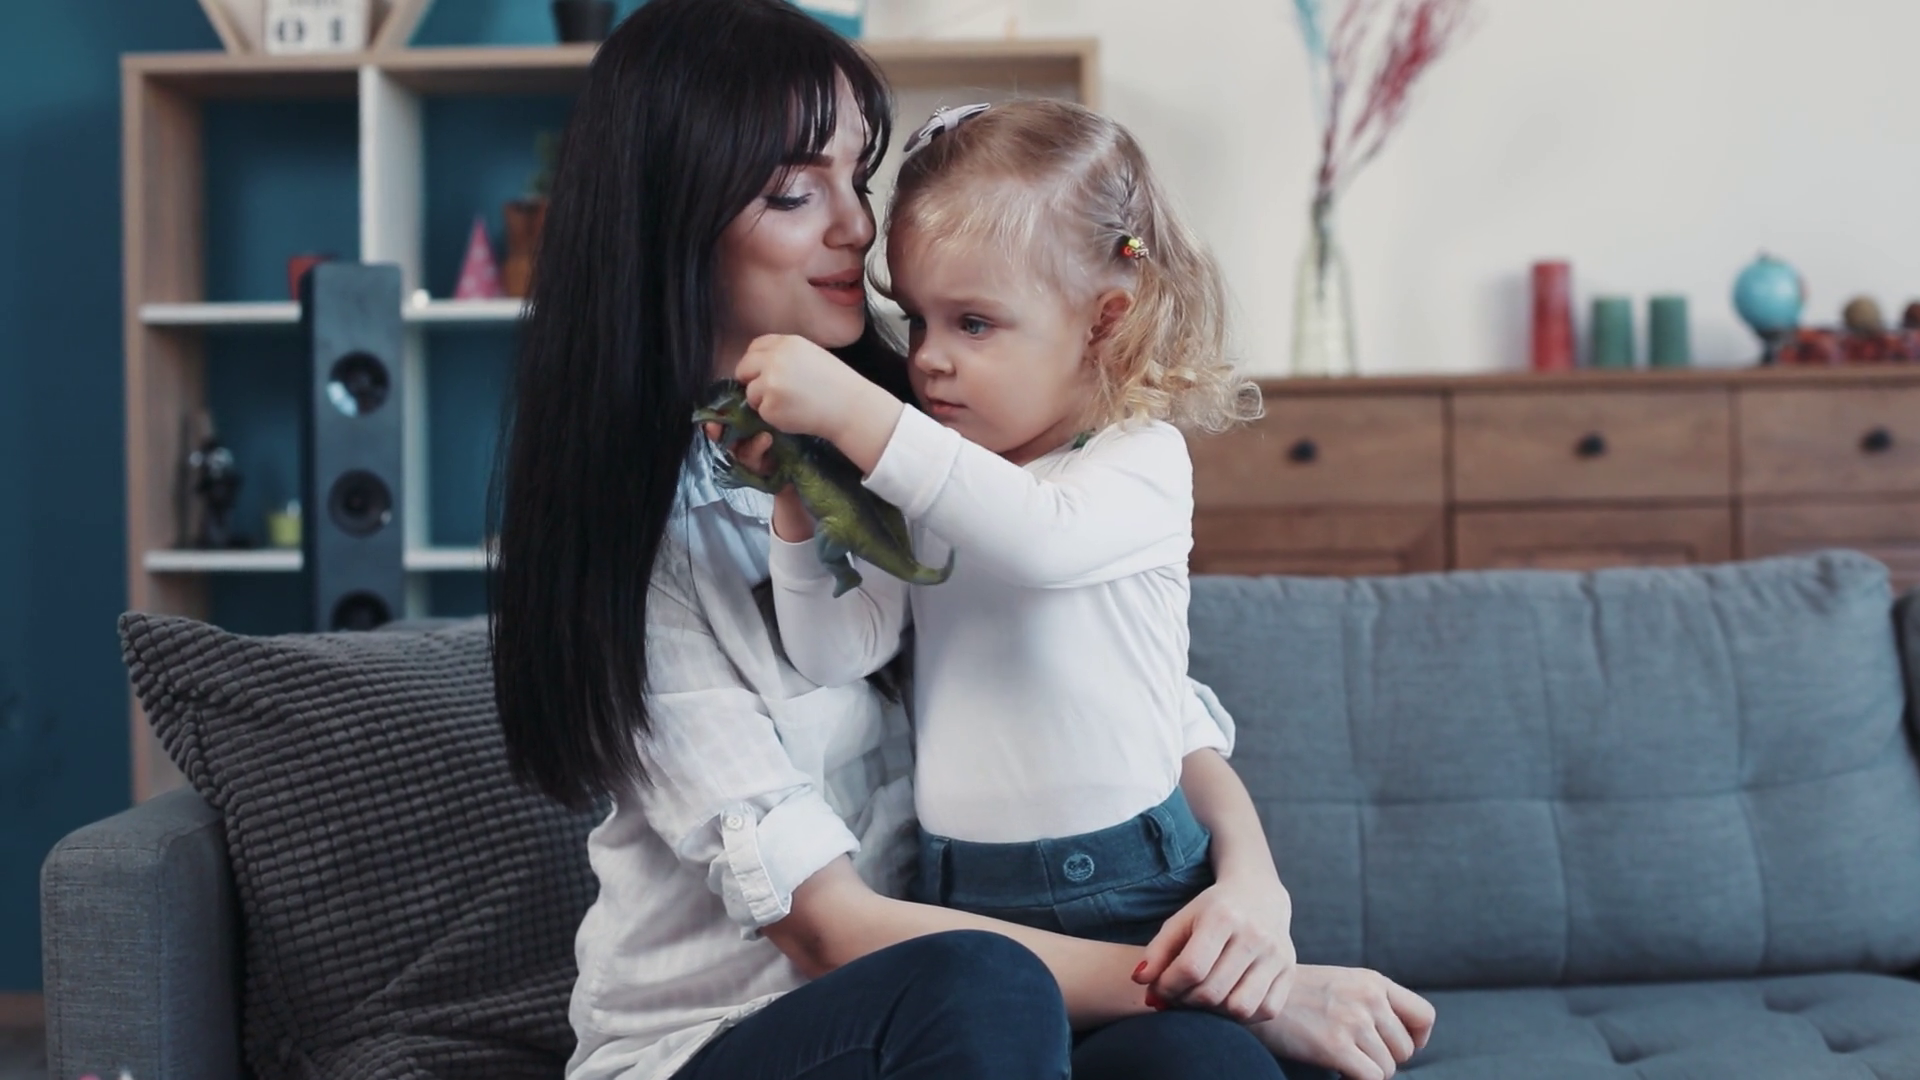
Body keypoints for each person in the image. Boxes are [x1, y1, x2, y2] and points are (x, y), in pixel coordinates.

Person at [490, 1, 1434, 1078]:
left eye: (858, 176)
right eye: (795, 191)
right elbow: (828, 931)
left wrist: (1251, 890)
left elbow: (1125, 685)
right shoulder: (653, 544)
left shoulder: (937, 442)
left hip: (984, 1006)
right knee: (990, 980)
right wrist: (1256, 993)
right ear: (668, 222)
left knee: (1198, 1063)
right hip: (739, 1035)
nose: (856, 228)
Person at [747, 96, 1285, 962]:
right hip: (963, 893)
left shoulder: (1138, 459)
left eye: (974, 323)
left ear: (1103, 322)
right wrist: (797, 509)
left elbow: (1040, 541)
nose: (928, 357)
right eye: (917, 319)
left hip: (1140, 885)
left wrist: (855, 411)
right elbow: (840, 651)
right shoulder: (935, 478)